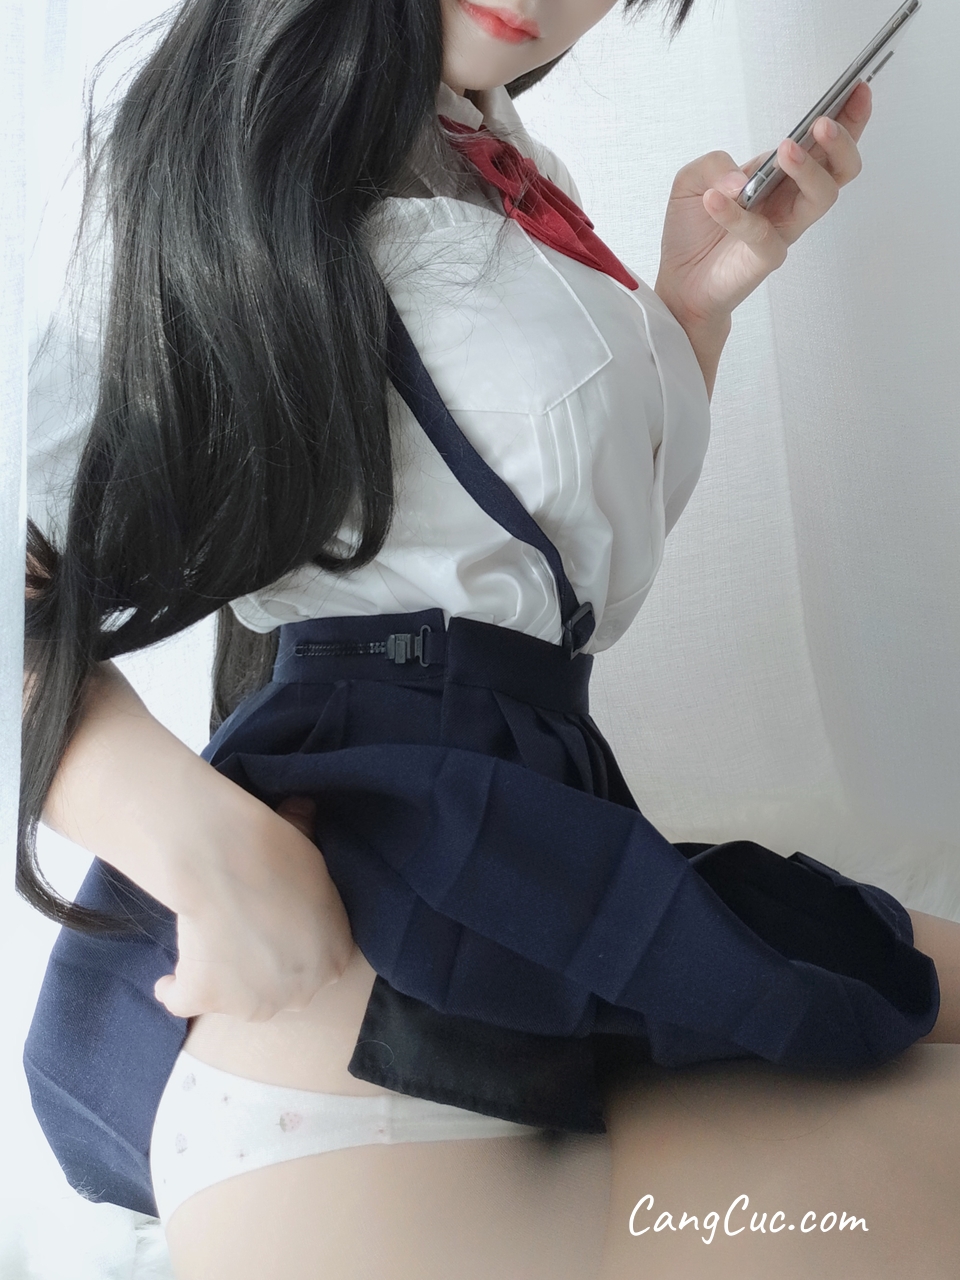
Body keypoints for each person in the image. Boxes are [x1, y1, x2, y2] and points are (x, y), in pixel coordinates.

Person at [19, 0, 960, 1276]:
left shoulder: (494, 159)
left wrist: (691, 310)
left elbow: (536, 571)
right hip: (361, 1070)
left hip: (520, 865)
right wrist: (199, 845)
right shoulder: (230, 141)